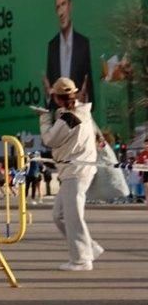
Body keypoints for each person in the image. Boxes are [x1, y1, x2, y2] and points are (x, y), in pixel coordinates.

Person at [39, 78, 105, 271]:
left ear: (58, 98)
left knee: (71, 216)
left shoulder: (68, 117)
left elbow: (49, 139)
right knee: (60, 215)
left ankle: (82, 259)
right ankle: (89, 248)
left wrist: (44, 119)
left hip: (74, 171)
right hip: (77, 169)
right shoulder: (81, 112)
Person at [44, 0, 93, 104]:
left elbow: (89, 91)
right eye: (57, 7)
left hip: (78, 116)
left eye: (63, 4)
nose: (61, 12)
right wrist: (49, 96)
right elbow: (50, 98)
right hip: (60, 118)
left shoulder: (83, 44)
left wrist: (84, 97)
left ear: (70, 5)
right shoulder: (52, 47)